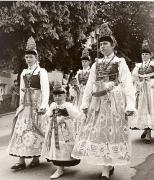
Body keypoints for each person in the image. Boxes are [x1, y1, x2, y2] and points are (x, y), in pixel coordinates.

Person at [72, 24, 135, 179]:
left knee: (111, 132)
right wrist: (85, 104)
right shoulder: (96, 64)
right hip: (97, 102)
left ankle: (107, 168)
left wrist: (130, 104)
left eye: (105, 44)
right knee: (99, 132)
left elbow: (127, 84)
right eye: (100, 44)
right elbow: (89, 85)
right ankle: (106, 165)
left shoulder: (120, 62)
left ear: (113, 45)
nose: (102, 47)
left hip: (114, 101)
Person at [8, 36, 49, 170]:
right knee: (22, 131)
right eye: (27, 57)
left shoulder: (41, 72)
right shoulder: (24, 72)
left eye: (31, 57)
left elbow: (45, 89)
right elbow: (21, 89)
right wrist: (20, 105)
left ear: (36, 58)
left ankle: (36, 157)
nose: (28, 59)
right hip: (26, 106)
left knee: (35, 131)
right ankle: (21, 160)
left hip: (36, 106)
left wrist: (44, 105)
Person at [41, 82, 80, 179]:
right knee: (56, 147)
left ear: (65, 96)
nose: (57, 98)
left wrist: (66, 116)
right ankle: (59, 168)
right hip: (54, 129)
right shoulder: (53, 105)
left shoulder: (68, 105)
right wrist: (45, 114)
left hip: (65, 130)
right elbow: (48, 114)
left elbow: (76, 115)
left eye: (60, 95)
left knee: (64, 147)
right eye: (55, 96)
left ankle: (62, 166)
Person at [131, 39, 154, 143]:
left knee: (150, 109)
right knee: (143, 109)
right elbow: (134, 77)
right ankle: (146, 129)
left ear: (150, 55)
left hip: (151, 90)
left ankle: (148, 134)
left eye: (146, 54)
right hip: (142, 90)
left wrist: (151, 80)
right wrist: (139, 81)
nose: (144, 56)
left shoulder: (153, 64)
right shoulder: (138, 66)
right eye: (143, 54)